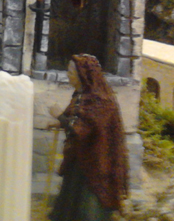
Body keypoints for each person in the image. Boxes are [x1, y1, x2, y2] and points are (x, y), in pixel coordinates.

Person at [48, 54, 128, 221]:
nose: (68, 75)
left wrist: (60, 116)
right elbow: (77, 118)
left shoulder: (100, 100)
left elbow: (83, 129)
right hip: (81, 155)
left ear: (82, 75)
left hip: (96, 158)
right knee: (73, 194)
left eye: (71, 72)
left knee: (89, 198)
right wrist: (60, 122)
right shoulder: (81, 94)